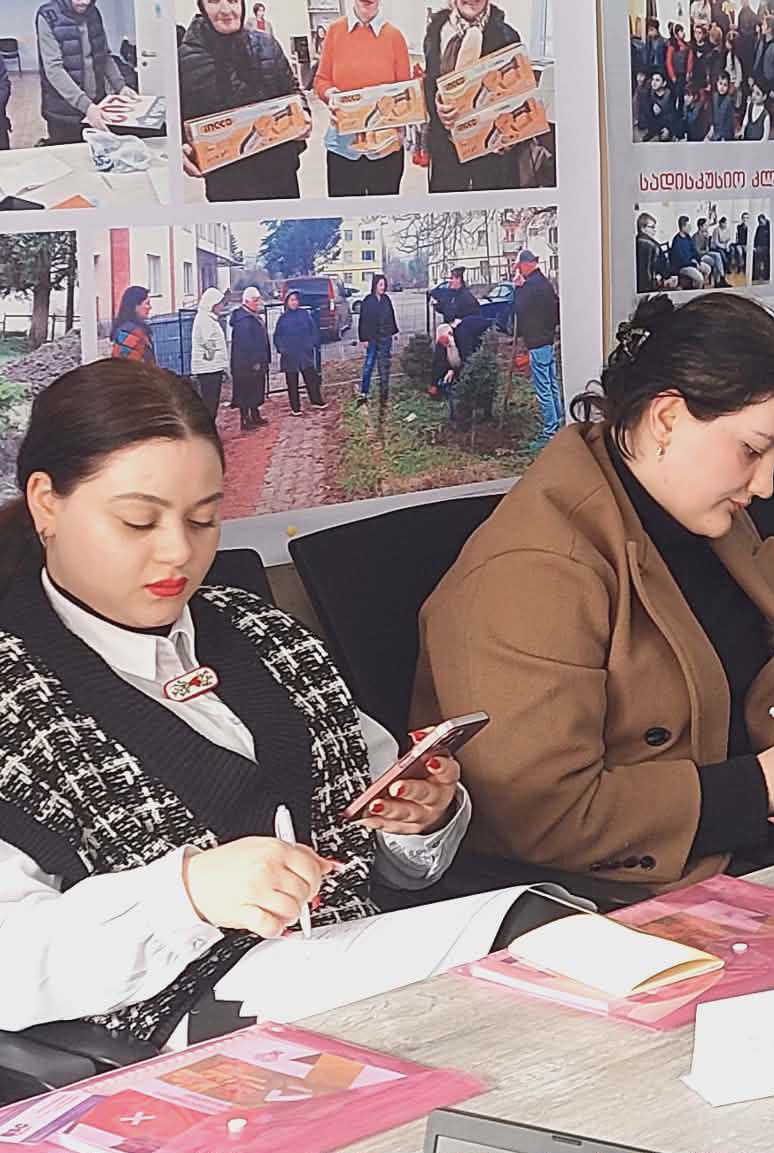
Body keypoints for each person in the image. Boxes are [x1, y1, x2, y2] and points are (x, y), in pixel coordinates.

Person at [0, 359, 582, 1050]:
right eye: (137, 521)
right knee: (542, 962)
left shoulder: (264, 634)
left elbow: (386, 858)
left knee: (566, 943)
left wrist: (418, 819)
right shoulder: (16, 699)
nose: (178, 551)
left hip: (353, 965)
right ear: (46, 503)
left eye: (204, 518)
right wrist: (185, 894)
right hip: (182, 1028)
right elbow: (13, 964)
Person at [416, 294, 774, 883]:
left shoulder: (691, 506)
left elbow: (722, 683)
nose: (766, 484)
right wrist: (758, 788)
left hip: (744, 845)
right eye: (752, 450)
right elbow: (539, 815)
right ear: (666, 419)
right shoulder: (534, 570)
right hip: (626, 892)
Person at [179, 0, 307, 202]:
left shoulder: (267, 44)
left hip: (281, 171)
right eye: (214, 1)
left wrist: (304, 114)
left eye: (233, 1)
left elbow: (293, 90)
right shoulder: (184, 60)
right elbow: (176, 117)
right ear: (201, 6)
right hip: (228, 182)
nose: (226, 10)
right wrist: (179, 147)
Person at [424, 0, 544, 193]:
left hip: (492, 152)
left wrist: (509, 137)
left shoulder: (508, 36)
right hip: (446, 149)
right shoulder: (435, 32)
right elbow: (430, 82)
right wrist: (437, 105)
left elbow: (519, 94)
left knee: (489, 203)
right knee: (448, 203)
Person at [312, 0, 413, 197]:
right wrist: (330, 94)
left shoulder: (395, 37)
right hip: (343, 146)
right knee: (346, 210)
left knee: (384, 211)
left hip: (385, 146)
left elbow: (405, 91)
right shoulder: (335, 31)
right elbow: (321, 80)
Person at [36, 0, 133, 146]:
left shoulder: (93, 12)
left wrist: (121, 86)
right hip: (64, 114)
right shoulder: (48, 16)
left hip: (96, 105)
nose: (84, 2)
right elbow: (54, 70)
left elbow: (104, 55)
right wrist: (86, 105)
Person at [513, 248, 562, 449]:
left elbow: (519, 308)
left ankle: (550, 432)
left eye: (519, 267)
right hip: (547, 340)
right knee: (552, 385)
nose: (518, 271)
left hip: (537, 342)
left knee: (544, 389)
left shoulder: (529, 287)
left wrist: (518, 289)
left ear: (526, 265)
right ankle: (559, 423)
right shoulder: (545, 284)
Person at [273, 290, 325, 415]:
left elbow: (313, 330)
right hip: (290, 355)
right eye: (291, 300)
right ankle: (295, 408)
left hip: (304, 353)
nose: (294, 302)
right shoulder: (283, 318)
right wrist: (282, 349)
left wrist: (311, 343)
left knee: (311, 378)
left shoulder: (304, 314)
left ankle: (316, 401)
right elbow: (277, 337)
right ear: (287, 302)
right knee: (292, 382)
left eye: (296, 299)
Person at [227, 287, 270, 431]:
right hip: (245, 364)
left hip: (254, 362)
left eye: (258, 300)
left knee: (256, 389)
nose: (258, 303)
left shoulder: (251, 316)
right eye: (255, 300)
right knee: (246, 391)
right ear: (246, 301)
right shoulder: (243, 320)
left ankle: (255, 415)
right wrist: (254, 361)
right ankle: (245, 419)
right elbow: (246, 344)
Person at [357, 274, 398, 402]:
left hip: (385, 337)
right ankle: (364, 392)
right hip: (372, 338)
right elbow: (363, 321)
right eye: (380, 285)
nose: (383, 287)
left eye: (384, 285)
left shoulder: (386, 300)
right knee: (369, 364)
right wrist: (363, 338)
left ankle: (384, 393)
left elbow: (391, 316)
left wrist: (394, 332)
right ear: (375, 285)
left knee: (384, 365)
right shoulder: (368, 301)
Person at [188, 287, 227, 412]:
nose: (221, 306)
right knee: (209, 403)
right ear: (212, 304)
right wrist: (215, 355)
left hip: (212, 366)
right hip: (208, 368)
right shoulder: (205, 319)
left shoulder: (209, 318)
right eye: (220, 304)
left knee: (212, 402)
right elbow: (208, 343)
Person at [108, 286, 154, 366]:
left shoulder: (132, 329)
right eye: (147, 303)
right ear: (135, 306)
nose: (150, 307)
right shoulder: (130, 333)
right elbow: (130, 366)